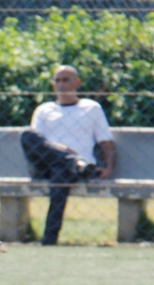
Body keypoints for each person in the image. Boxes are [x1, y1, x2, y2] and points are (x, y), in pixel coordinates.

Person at [21, 64, 116, 245]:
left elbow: (106, 141)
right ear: (53, 85)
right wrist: (66, 154)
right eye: (58, 80)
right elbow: (36, 143)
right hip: (45, 165)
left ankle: (49, 239)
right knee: (27, 135)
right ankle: (72, 159)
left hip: (69, 172)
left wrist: (108, 167)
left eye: (66, 80)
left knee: (61, 172)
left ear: (77, 83)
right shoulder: (44, 110)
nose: (62, 84)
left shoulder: (91, 108)